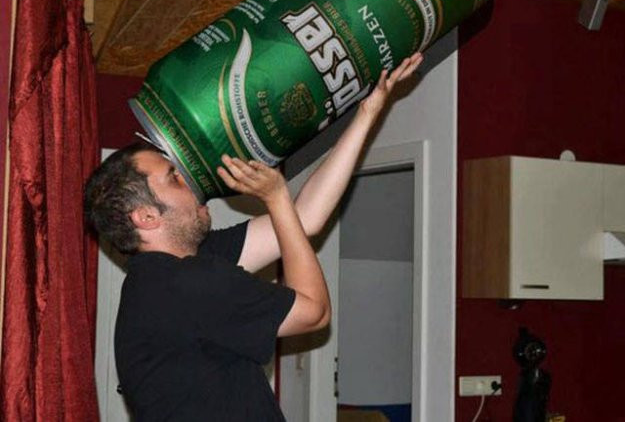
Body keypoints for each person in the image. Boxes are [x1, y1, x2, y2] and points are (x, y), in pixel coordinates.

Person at [84, 53, 423, 421]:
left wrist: (368, 112)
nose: (191, 181)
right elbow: (314, 312)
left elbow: (304, 218)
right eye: (174, 178)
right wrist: (275, 198)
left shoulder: (172, 272)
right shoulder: (185, 284)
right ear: (146, 217)